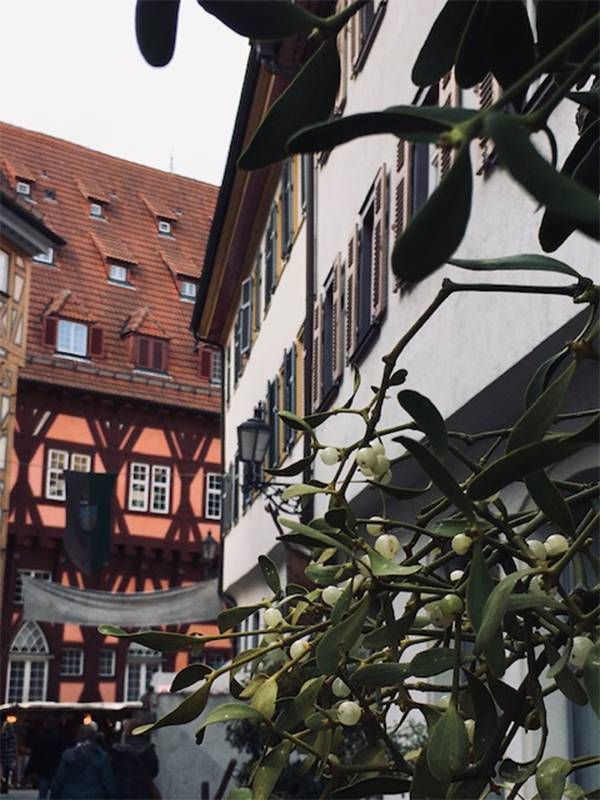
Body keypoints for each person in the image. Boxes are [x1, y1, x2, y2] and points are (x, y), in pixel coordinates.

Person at [50, 724, 115, 799]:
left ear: (78, 737)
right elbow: (108, 782)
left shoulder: (67, 755)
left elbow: (59, 780)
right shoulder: (101, 756)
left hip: (70, 795)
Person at [110, 720, 159, 800]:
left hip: (123, 791)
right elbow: (154, 770)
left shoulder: (119, 751)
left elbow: (112, 771)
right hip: (144, 791)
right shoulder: (148, 749)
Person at [27, 720, 64, 799]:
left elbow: (35, 755)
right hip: (55, 767)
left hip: (44, 768)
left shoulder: (40, 738)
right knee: (55, 792)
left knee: (43, 791)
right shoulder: (59, 738)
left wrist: (31, 769)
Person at [0, 721, 17, 795]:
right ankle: (6, 786)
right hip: (10, 756)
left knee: (3, 773)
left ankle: (3, 786)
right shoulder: (13, 736)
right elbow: (15, 746)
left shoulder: (2, 736)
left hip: (3, 755)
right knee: (8, 773)